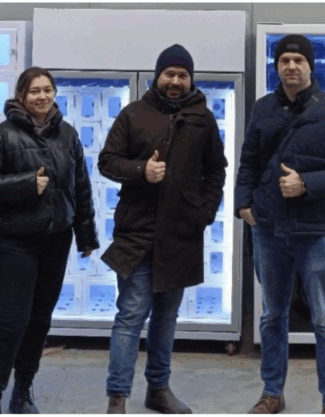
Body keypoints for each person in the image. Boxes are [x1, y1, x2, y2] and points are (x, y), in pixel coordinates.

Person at [235, 34, 325, 415]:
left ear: (310, 66)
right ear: (277, 66)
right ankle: (272, 394)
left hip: (317, 231)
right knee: (272, 316)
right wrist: (243, 204)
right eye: (284, 61)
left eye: (298, 60)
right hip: (268, 229)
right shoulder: (262, 108)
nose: (291, 66)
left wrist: (306, 183)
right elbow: (248, 161)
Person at [98, 44, 228, 414]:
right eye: (169, 74)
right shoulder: (133, 114)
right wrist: (142, 170)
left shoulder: (203, 119)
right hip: (137, 234)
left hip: (180, 235)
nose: (175, 81)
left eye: (182, 75)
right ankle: (117, 398)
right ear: (158, 76)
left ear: (191, 79)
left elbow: (216, 170)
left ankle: (158, 390)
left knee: (167, 318)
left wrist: (204, 212)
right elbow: (107, 161)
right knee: (130, 315)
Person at [0, 67, 100, 414]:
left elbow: (81, 187)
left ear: (54, 93)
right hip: (11, 244)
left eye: (47, 90)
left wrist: (86, 236)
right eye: (34, 91)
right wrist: (26, 184)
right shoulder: (2, 135)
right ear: (21, 96)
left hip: (55, 243)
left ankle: (23, 391)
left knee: (39, 321)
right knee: (10, 325)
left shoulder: (68, 135)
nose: (41, 97)